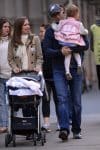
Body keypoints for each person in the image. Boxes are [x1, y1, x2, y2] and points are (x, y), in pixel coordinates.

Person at [43, 3, 89, 141]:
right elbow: (47, 51)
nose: (58, 16)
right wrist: (60, 52)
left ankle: (76, 129)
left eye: (60, 12)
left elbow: (86, 45)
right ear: (52, 17)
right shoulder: (51, 30)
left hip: (75, 69)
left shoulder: (76, 25)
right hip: (58, 70)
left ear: (65, 12)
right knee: (62, 99)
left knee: (76, 102)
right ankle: (64, 129)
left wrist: (72, 50)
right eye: (55, 14)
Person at [8, 16, 43, 139]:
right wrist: (14, 68)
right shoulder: (13, 41)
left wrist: (38, 67)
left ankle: (34, 129)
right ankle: (27, 129)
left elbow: (40, 57)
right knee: (23, 102)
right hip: (19, 75)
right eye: (25, 25)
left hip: (32, 74)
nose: (28, 27)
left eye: (28, 24)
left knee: (32, 103)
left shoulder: (35, 39)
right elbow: (10, 58)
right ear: (19, 27)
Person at [53, 4, 88, 80]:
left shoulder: (62, 22)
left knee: (67, 56)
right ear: (76, 14)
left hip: (65, 41)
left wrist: (54, 27)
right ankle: (79, 65)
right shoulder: (78, 23)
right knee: (76, 53)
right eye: (78, 13)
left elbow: (58, 29)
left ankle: (67, 71)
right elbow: (83, 32)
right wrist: (86, 31)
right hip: (74, 41)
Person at [39, 24, 59, 132]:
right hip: (45, 77)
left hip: (56, 75)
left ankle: (60, 122)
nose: (40, 33)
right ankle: (46, 123)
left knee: (58, 100)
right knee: (45, 99)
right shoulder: (40, 45)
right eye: (40, 31)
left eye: (42, 31)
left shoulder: (54, 44)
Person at [0, 17, 12, 133]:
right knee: (1, 102)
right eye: (4, 27)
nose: (7, 29)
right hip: (0, 76)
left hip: (12, 75)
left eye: (8, 27)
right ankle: (3, 125)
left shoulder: (12, 41)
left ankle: (14, 124)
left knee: (14, 101)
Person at [90, 17, 100, 90]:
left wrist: (93, 49)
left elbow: (91, 44)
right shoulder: (93, 28)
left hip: (97, 55)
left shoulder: (93, 28)